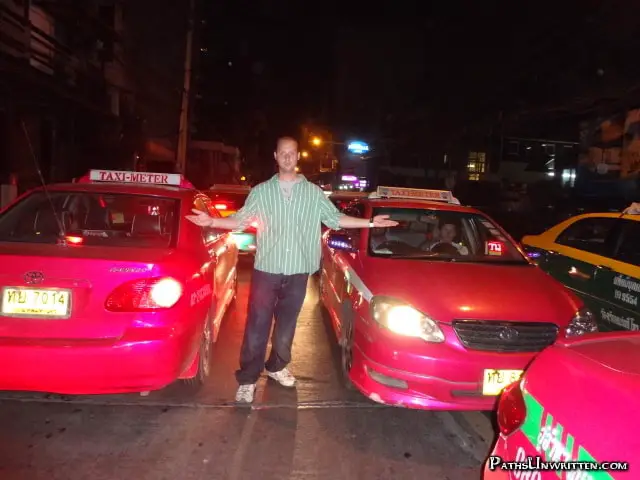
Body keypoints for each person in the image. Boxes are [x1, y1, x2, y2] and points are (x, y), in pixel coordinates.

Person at [186, 136, 398, 403]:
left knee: (286, 327)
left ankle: (276, 367)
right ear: (275, 156)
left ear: (298, 157)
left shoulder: (313, 193)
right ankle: (248, 379)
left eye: (292, 153)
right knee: (256, 328)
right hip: (267, 270)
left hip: (298, 272)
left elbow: (334, 218)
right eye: (282, 153)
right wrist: (212, 220)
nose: (287, 157)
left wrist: (370, 224)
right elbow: (240, 220)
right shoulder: (261, 192)